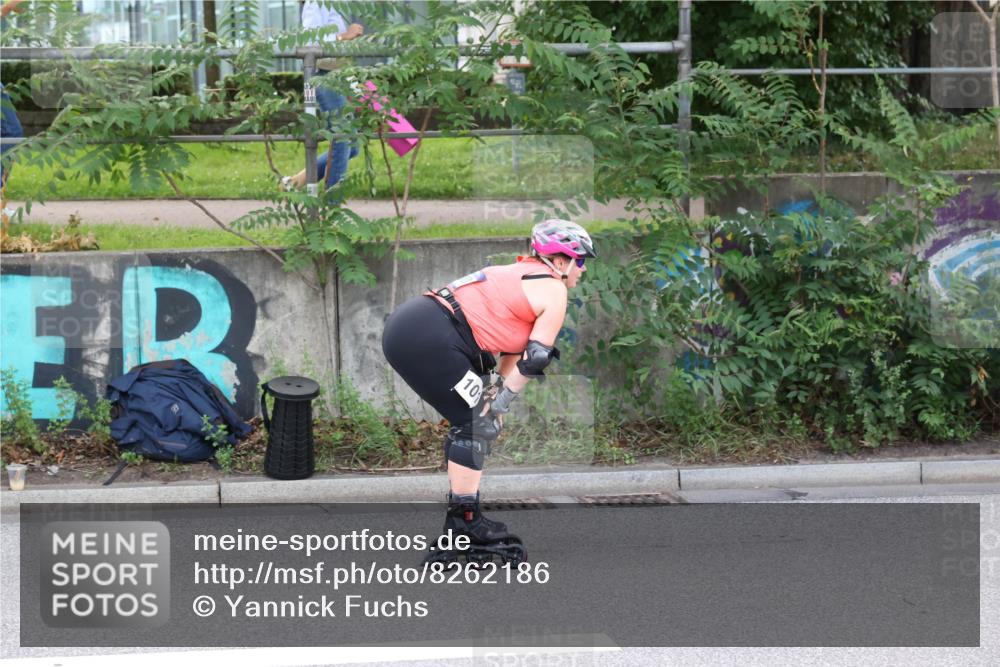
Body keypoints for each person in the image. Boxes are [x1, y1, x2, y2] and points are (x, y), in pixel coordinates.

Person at [381, 219, 596, 561]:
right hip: (431, 338)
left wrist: (495, 395)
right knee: (476, 424)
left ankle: (462, 520)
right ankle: (465, 525)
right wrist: (500, 406)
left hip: (414, 326)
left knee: (473, 421)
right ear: (560, 262)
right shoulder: (555, 289)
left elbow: (516, 351)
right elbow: (536, 358)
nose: (583, 270)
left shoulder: (518, 273)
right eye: (581, 261)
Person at [280, 1, 363, 192]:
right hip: (323, 76)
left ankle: (294, 182)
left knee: (352, 144)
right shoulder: (314, 3)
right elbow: (310, 42)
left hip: (337, 73)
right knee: (342, 138)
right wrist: (344, 35)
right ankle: (331, 208)